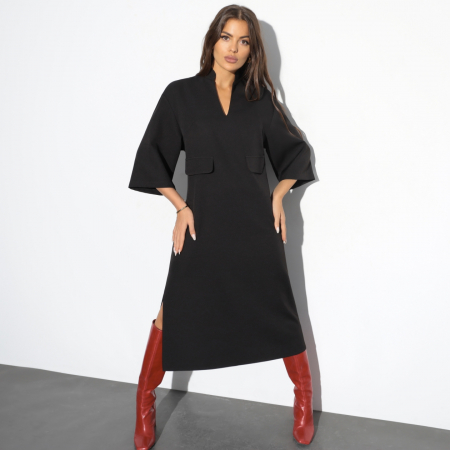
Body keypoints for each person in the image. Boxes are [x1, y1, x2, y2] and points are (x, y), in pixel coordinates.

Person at [128, 5, 316, 450]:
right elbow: (151, 157)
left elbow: (296, 154)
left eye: (244, 40)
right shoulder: (181, 95)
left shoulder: (260, 99)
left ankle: (304, 400)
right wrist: (180, 207)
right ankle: (144, 403)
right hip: (203, 223)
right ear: (212, 40)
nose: (233, 48)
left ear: (252, 50)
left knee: (279, 309)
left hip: (254, 226)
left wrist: (277, 194)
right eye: (226, 37)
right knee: (172, 310)